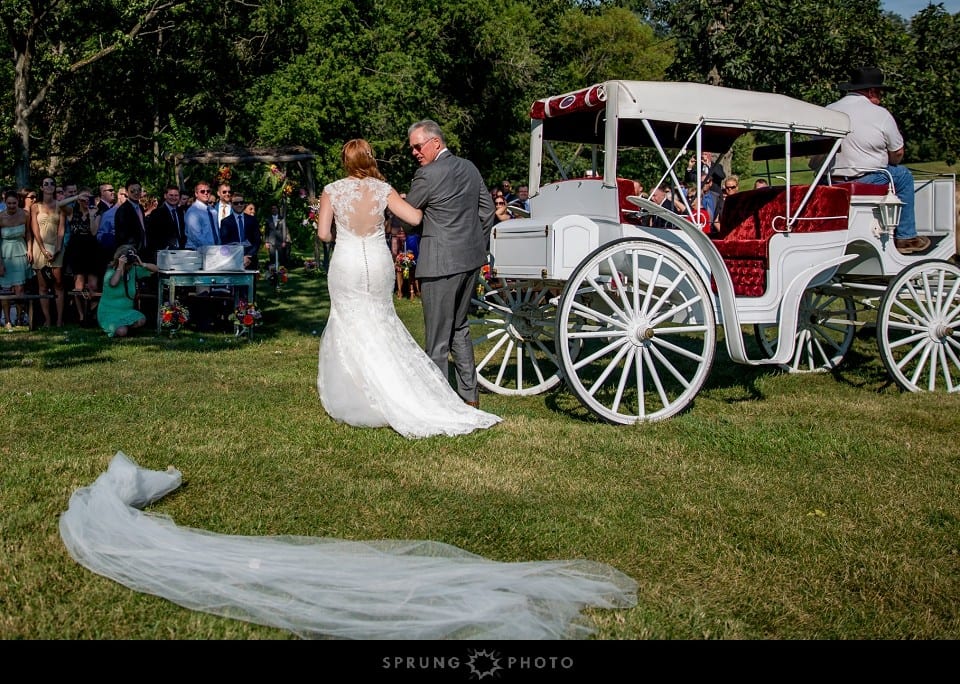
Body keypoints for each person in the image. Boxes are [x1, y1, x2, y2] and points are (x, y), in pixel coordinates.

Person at [315, 138, 500, 439]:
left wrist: (343, 229)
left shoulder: (332, 191)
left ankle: (360, 394)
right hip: (377, 261)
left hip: (346, 261)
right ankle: (402, 388)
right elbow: (415, 217)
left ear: (345, 161)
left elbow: (324, 234)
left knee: (348, 322)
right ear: (369, 158)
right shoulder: (382, 189)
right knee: (381, 321)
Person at [405, 120, 496, 408]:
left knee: (437, 338)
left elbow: (409, 216)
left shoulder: (426, 175)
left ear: (435, 142)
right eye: (412, 148)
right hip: (469, 260)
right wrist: (474, 244)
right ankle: (470, 397)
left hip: (439, 262)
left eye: (418, 146)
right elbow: (488, 210)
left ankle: (439, 404)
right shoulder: (469, 167)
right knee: (460, 327)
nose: (415, 153)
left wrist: (417, 235)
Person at [827, 66, 927, 255]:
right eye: (880, 92)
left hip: (830, 180)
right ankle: (906, 237)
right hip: (865, 179)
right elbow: (897, 153)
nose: (880, 98)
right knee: (903, 175)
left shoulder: (828, 110)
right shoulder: (880, 114)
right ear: (872, 91)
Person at [30, 176, 67, 327]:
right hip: (40, 247)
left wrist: (58, 248)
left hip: (56, 247)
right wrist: (43, 249)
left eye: (52, 184)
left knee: (58, 284)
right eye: (46, 184)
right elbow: (34, 229)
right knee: (43, 286)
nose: (49, 186)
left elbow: (61, 229)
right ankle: (47, 319)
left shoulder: (60, 206)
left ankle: (59, 320)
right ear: (41, 187)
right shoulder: (35, 206)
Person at [97, 245, 158, 338]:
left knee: (141, 320)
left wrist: (142, 264)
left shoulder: (133, 270)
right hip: (109, 312)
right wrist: (120, 266)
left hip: (126, 311)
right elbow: (113, 283)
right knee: (122, 332)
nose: (129, 266)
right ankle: (119, 328)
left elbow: (156, 269)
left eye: (131, 263)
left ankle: (124, 327)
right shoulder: (110, 272)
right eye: (128, 264)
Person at [0, 189, 31, 330]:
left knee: (20, 288)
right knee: (5, 289)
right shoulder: (1, 217)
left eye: (14, 203)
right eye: (9, 203)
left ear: (18, 202)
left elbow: (29, 233)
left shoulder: (25, 215)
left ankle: (19, 318)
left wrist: (29, 249)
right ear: (4, 202)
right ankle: (7, 320)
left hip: (20, 250)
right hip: (5, 252)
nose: (12, 206)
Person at [184, 182, 218, 249]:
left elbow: (216, 232)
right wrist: (211, 250)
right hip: (196, 251)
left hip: (214, 251)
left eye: (208, 191)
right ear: (196, 194)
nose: (206, 193)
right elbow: (196, 236)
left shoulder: (213, 211)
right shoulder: (192, 212)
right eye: (202, 191)